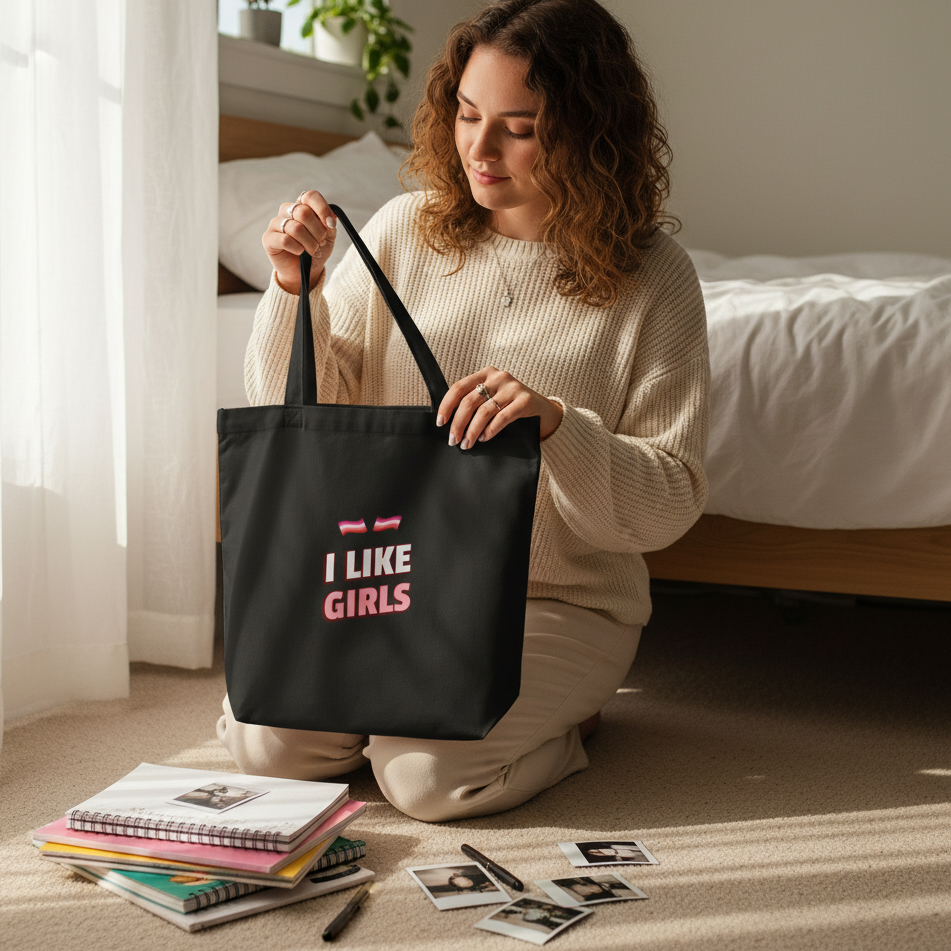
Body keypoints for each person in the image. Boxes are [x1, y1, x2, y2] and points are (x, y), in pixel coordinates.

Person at [217, 0, 709, 823]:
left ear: (590, 130)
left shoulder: (654, 275)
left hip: (555, 600)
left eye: (518, 128)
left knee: (427, 778)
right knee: (274, 748)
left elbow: (670, 498)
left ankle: (570, 725)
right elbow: (300, 412)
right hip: (388, 574)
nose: (479, 150)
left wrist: (557, 425)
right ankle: (392, 703)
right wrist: (294, 290)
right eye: (468, 114)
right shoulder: (404, 229)